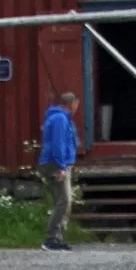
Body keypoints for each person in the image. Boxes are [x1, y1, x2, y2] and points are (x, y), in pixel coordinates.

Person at [38, 91, 79, 251]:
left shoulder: (59, 118)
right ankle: (51, 238)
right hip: (55, 164)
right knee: (64, 201)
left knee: (61, 202)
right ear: (71, 104)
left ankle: (57, 238)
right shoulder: (60, 119)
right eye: (76, 104)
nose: (76, 108)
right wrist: (61, 166)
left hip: (56, 163)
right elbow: (58, 144)